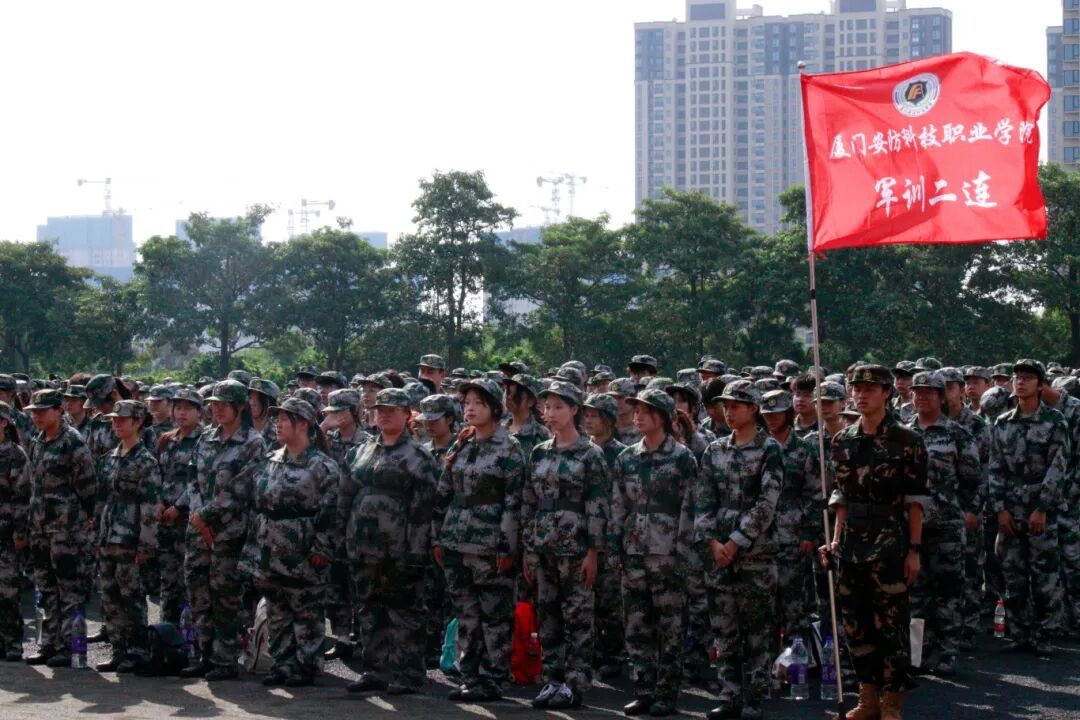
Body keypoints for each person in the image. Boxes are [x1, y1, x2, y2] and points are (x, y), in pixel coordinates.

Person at [822, 365, 929, 720]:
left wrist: (914, 551)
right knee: (856, 625)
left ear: (887, 393)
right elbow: (841, 497)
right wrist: (834, 540)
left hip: (890, 542)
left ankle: (891, 700)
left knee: (891, 626)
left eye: (870, 388)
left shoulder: (907, 440)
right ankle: (867, 697)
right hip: (852, 543)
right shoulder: (842, 440)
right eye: (857, 388)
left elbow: (915, 500)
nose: (862, 394)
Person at [337, 388, 437, 695]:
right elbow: (345, 495)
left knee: (404, 612)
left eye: (392, 410)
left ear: (407, 414)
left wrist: (417, 552)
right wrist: (342, 537)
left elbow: (424, 510)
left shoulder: (418, 456)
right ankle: (375, 669)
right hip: (363, 546)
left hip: (400, 548)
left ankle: (408, 673)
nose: (384, 415)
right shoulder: (363, 450)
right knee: (368, 609)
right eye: (380, 410)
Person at [432, 378, 525, 702]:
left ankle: (493, 679)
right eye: (467, 402)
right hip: (456, 541)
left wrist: (507, 546)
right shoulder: (462, 444)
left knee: (494, 616)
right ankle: (470, 676)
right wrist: (438, 538)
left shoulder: (510, 449)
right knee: (467, 615)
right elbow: (443, 493)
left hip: (489, 546)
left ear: (495, 409)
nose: (470, 409)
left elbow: (514, 503)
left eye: (478, 403)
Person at [695, 381, 784, 720]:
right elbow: (704, 499)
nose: (729, 412)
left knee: (757, 630)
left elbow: (767, 504)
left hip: (755, 554)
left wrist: (735, 541)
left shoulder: (769, 449)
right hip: (719, 555)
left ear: (753, 409)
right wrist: (713, 542)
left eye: (736, 406)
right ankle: (730, 694)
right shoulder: (714, 450)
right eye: (726, 406)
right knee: (724, 629)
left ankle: (755, 697)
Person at [240, 397, 339, 687]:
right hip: (270, 548)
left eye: (285, 419)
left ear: (303, 424)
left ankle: (306, 666)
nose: (278, 424)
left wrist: (322, 548)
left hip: (302, 550)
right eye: (278, 419)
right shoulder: (270, 459)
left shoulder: (322, 466)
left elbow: (332, 512)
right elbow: (257, 504)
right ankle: (283, 663)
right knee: (277, 610)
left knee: (306, 611)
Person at [522, 381, 609, 710]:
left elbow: (598, 506)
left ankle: (575, 683)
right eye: (547, 407)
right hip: (544, 545)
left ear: (574, 410)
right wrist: (528, 548)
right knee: (548, 617)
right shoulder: (539, 452)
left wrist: (593, 552)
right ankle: (552, 679)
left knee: (578, 618)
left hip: (576, 548)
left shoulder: (590, 454)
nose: (551, 413)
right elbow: (529, 503)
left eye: (559, 407)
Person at [610, 388, 696, 718]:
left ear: (661, 416)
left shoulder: (682, 458)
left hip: (668, 554)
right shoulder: (626, 457)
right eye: (636, 411)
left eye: (645, 411)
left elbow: (690, 508)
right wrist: (615, 546)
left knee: (670, 627)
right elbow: (618, 505)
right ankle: (644, 689)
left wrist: (683, 554)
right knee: (636, 624)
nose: (638, 417)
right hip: (633, 552)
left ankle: (667, 693)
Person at [173, 379, 267, 681]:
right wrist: (197, 515)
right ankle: (204, 653)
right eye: (214, 405)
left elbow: (242, 488)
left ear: (239, 407)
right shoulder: (206, 438)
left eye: (224, 405)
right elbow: (192, 479)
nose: (217, 410)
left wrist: (207, 516)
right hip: (198, 530)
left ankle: (224, 658)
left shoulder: (253, 442)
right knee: (198, 591)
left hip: (230, 532)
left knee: (225, 595)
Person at [989, 360, 1070, 656]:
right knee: (1013, 574)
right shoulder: (1002, 423)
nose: (1020, 382)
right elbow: (995, 468)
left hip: (1039, 507)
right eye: (1017, 377)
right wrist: (1000, 508)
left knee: (1045, 574)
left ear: (1040, 384)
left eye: (1027, 378)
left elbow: (1057, 468)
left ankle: (1045, 634)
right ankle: (1020, 633)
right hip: (1011, 507)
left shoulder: (1054, 421)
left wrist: (1043, 508)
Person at [905, 372, 981, 676]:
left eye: (929, 392)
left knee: (948, 592)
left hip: (947, 525)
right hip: (911, 528)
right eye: (917, 392)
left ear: (940, 396)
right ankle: (917, 655)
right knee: (915, 596)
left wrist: (969, 511)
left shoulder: (957, 434)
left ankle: (947, 653)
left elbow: (973, 479)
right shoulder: (902, 432)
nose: (922, 397)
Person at [23, 389, 98, 667]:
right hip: (41, 527)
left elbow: (88, 486)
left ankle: (70, 646)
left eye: (42, 411)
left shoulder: (72, 442)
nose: (37, 416)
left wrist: (82, 520)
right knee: (46, 588)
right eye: (34, 412)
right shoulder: (38, 440)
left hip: (67, 529)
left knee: (70, 588)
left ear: (58, 410)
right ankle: (49, 643)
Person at [95, 400, 161, 673]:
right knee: (110, 597)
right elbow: (102, 499)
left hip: (131, 539)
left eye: (122, 420)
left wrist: (146, 544)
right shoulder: (110, 457)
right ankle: (119, 649)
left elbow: (150, 506)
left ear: (137, 422)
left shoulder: (146, 462)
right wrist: (98, 535)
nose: (117, 424)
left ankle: (137, 650)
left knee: (131, 597)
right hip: (109, 536)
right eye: (114, 419)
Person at [760, 389, 819, 647]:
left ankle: (796, 660)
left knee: (794, 604)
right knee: (765, 608)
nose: (771, 419)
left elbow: (815, 493)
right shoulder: (757, 447)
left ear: (788, 414)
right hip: (761, 536)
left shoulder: (803, 449)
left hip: (793, 536)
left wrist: (809, 532)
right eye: (767, 414)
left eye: (776, 414)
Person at [319, 387, 371, 661]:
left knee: (360, 581)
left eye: (341, 411)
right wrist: (322, 428)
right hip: (331, 520)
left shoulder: (367, 442)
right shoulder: (327, 440)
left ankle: (363, 637)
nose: (336, 416)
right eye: (332, 411)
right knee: (335, 583)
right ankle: (341, 637)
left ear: (354, 412)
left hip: (357, 520)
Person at [582, 392, 626, 680]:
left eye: (594, 415)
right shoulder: (580, 449)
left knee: (609, 601)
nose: (588, 420)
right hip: (583, 533)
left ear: (609, 420)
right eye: (586, 415)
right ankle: (592, 653)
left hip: (610, 535)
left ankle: (613, 656)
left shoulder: (620, 454)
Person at [154, 387, 204, 625]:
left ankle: (189, 633)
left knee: (189, 580)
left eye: (188, 408)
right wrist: (158, 501)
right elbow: (157, 474)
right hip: (165, 518)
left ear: (199, 412)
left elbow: (199, 480)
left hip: (188, 518)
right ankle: (167, 630)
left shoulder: (205, 440)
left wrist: (178, 507)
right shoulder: (167, 440)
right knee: (167, 578)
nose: (181, 413)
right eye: (178, 408)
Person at [0, 402, 29, 661]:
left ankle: (12, 642)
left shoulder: (15, 455)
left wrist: (20, 533)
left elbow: (22, 497)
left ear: (4, 423)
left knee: (8, 590)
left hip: (7, 532)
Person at [504, 374, 550, 461]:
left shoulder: (541, 435)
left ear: (530, 401)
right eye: (508, 392)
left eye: (516, 395)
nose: (509, 397)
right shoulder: (498, 428)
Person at [248, 378, 281, 450]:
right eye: (250, 398)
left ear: (270, 404)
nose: (252, 403)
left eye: (259, 399)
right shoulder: (236, 430)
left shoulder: (277, 436)